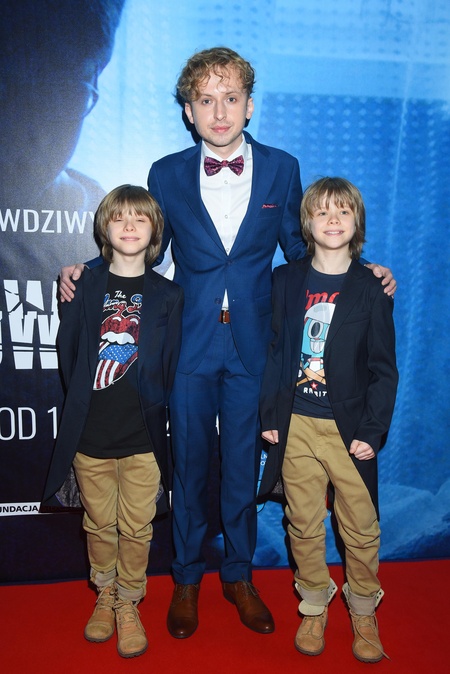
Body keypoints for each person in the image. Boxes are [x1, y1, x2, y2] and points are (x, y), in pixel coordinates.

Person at [59, 47, 396, 639]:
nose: (219, 112)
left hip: (255, 346)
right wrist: (88, 271)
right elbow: (146, 248)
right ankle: (186, 579)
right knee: (188, 468)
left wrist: (363, 272)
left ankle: (239, 577)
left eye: (231, 98)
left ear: (249, 106)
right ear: (189, 112)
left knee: (243, 467)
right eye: (206, 100)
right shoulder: (166, 173)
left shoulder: (282, 168)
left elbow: (302, 250)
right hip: (187, 344)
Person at [41, 185, 184, 658]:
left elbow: (171, 365)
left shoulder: (169, 295)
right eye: (119, 217)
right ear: (104, 227)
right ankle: (105, 593)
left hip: (143, 438)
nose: (129, 225)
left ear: (154, 231)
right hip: (91, 436)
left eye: (139, 218)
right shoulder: (82, 285)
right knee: (100, 524)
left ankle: (129, 601)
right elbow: (68, 353)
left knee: (138, 528)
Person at [259, 177, 398, 663]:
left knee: (360, 526)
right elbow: (274, 352)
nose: (333, 220)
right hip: (295, 425)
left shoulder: (372, 287)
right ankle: (314, 603)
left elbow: (383, 369)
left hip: (350, 430)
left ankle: (363, 608)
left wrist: (372, 430)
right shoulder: (284, 280)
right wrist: (270, 414)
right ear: (307, 223)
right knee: (301, 521)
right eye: (322, 212)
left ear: (357, 222)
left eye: (343, 211)